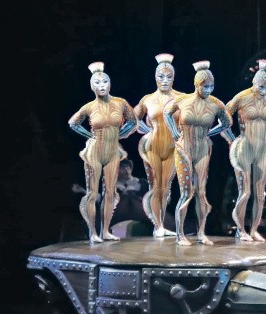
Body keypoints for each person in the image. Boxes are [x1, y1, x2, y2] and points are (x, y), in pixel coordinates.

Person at [163, 60, 232, 246]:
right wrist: (174, 131)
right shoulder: (183, 100)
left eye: (211, 86)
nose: (208, 90)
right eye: (205, 86)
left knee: (201, 192)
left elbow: (227, 123)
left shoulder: (216, 104)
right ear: (196, 85)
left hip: (202, 149)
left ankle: (201, 233)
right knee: (186, 193)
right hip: (183, 149)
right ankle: (180, 234)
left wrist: (211, 133)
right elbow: (167, 113)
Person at [68, 61, 137, 243]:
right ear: (92, 86)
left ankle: (105, 230)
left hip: (113, 151)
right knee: (92, 192)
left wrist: (120, 134)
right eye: (97, 83)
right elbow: (73, 123)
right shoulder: (89, 107)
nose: (101, 86)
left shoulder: (120, 103)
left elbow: (132, 121)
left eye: (104, 82)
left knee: (110, 192)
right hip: (95, 152)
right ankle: (93, 232)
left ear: (110, 83)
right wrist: (89, 135)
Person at [221, 59, 266, 241]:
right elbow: (223, 116)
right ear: (254, 82)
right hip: (245, 146)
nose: (264, 90)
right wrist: (231, 139)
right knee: (245, 192)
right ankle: (240, 229)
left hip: (262, 147)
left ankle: (253, 229)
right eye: (261, 86)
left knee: (260, 193)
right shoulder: (242, 97)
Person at [133, 53, 185, 238]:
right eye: (161, 76)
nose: (165, 80)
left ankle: (160, 224)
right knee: (156, 186)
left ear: (174, 77)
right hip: (152, 147)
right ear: (155, 77)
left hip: (173, 147)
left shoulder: (181, 98)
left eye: (169, 77)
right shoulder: (147, 99)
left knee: (166, 187)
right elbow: (132, 118)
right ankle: (158, 226)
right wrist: (146, 129)